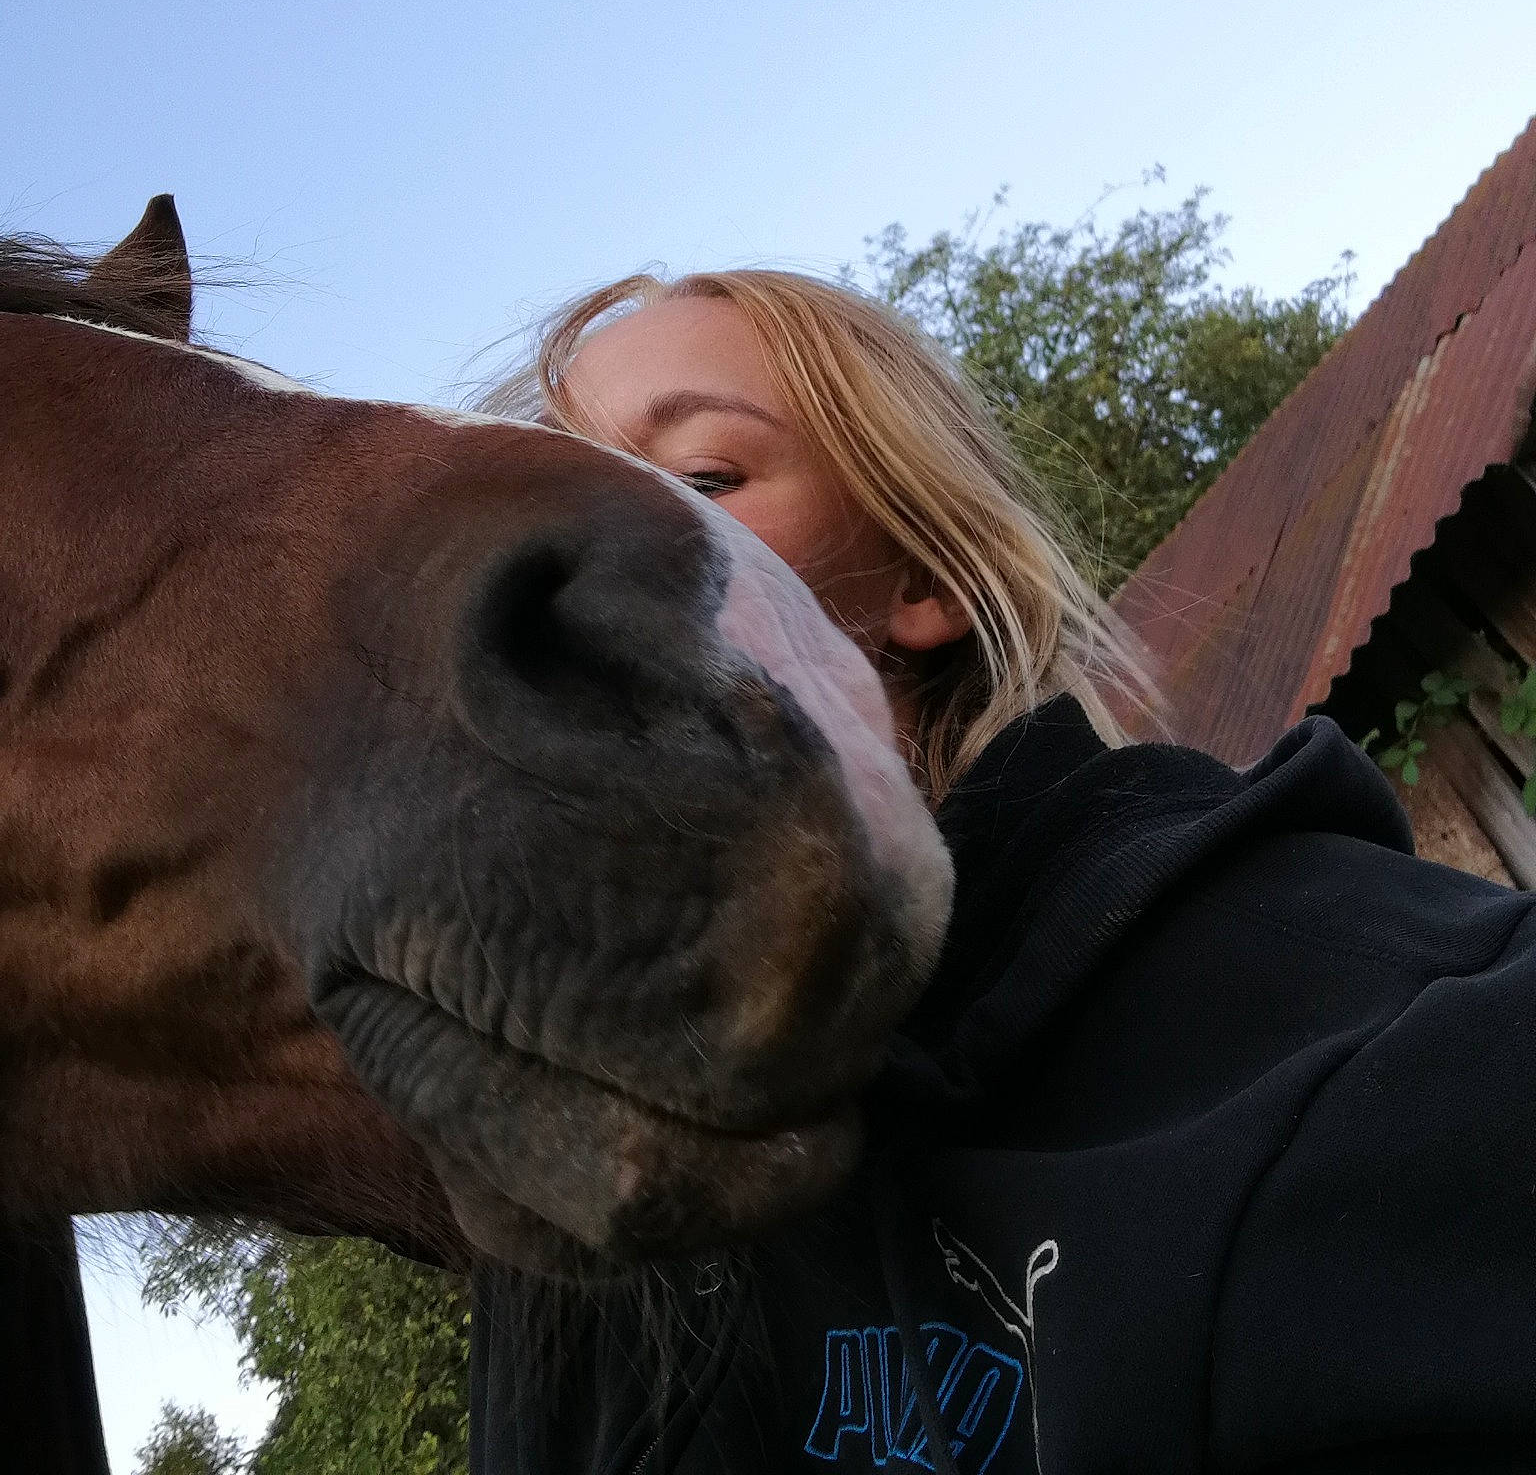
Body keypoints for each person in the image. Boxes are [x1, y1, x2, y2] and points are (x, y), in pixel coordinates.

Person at [471, 267, 1536, 1474]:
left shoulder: (1315, 1008)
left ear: (921, 580)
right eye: (528, 505)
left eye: (706, 476)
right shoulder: (561, 1247)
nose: (556, 555)